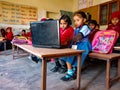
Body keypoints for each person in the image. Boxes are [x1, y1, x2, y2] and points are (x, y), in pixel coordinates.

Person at [60, 11, 92, 81]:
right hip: (77, 45)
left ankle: (74, 70)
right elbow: (74, 38)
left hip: (84, 45)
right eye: (74, 21)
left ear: (84, 20)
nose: (76, 22)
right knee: (68, 54)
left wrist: (68, 40)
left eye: (78, 20)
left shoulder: (85, 27)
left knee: (78, 56)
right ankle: (70, 71)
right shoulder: (76, 28)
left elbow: (79, 37)